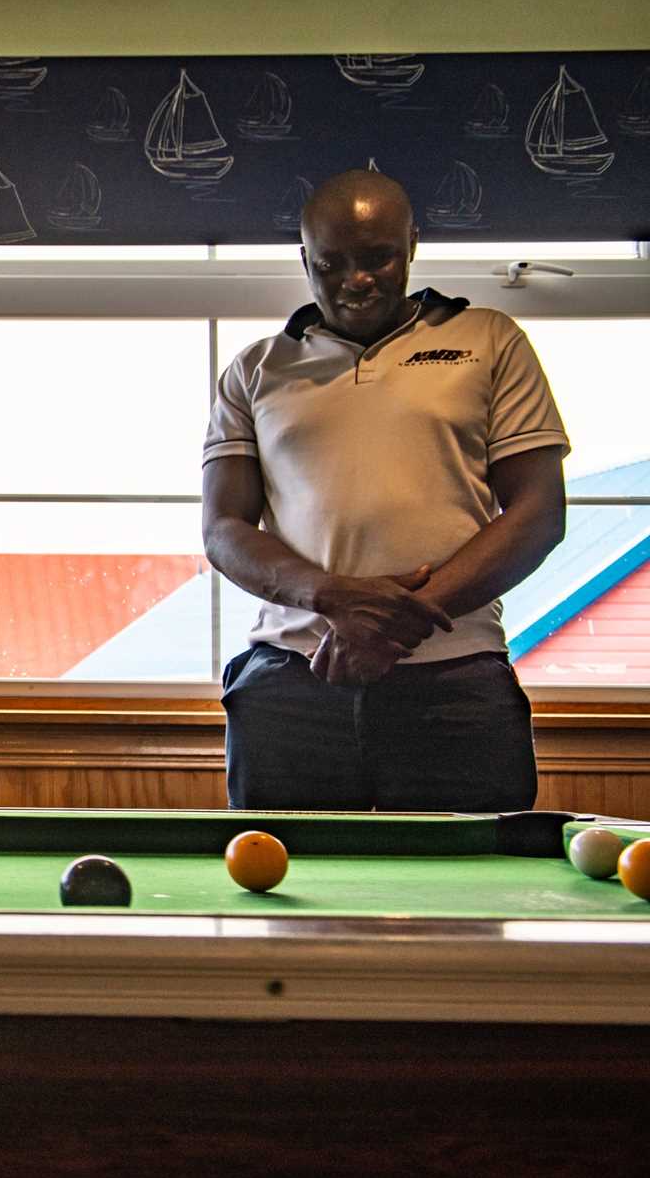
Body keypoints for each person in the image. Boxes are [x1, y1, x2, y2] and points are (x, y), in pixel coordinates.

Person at [201, 169, 569, 812]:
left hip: (456, 683)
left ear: (412, 245)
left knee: (475, 896)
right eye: (331, 263)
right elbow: (224, 531)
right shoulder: (256, 368)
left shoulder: (488, 339)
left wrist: (388, 629)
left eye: (378, 259)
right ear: (305, 259)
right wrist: (338, 601)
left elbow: (537, 512)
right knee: (286, 901)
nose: (357, 280)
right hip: (292, 686)